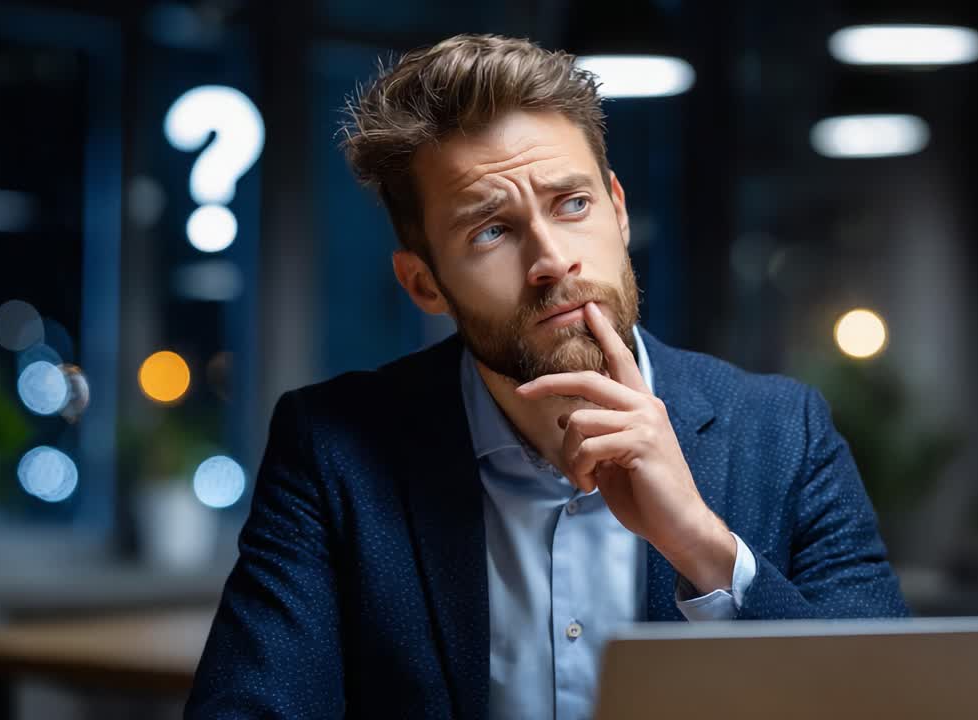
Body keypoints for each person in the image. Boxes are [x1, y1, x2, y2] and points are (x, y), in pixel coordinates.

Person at [185, 33, 907, 720]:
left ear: (618, 212)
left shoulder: (785, 432)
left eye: (573, 205)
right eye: (491, 230)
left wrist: (700, 546)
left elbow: (891, 705)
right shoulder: (333, 450)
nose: (552, 260)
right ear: (424, 284)